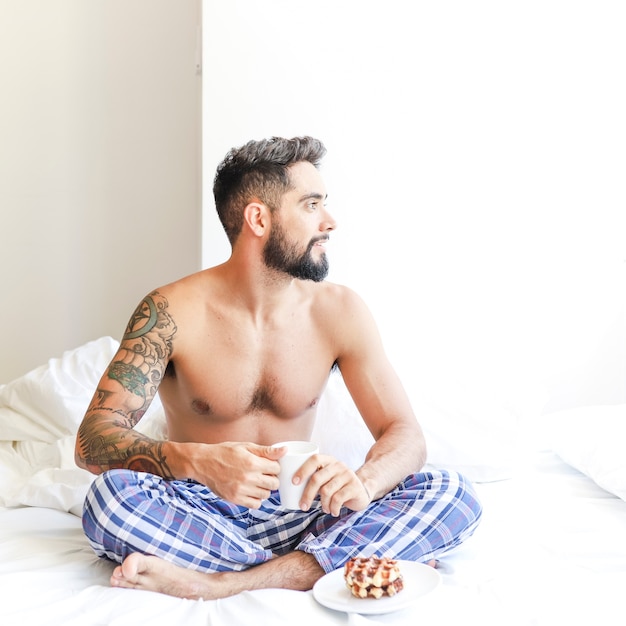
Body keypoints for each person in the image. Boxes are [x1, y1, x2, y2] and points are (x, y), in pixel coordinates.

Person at [75, 136, 482, 600]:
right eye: (311, 205)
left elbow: (404, 433)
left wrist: (362, 483)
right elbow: (92, 439)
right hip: (202, 510)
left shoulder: (339, 311)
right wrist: (200, 462)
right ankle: (336, 560)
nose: (329, 222)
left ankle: (224, 582)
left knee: (452, 492)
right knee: (109, 499)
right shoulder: (170, 312)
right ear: (259, 218)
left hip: (311, 511)